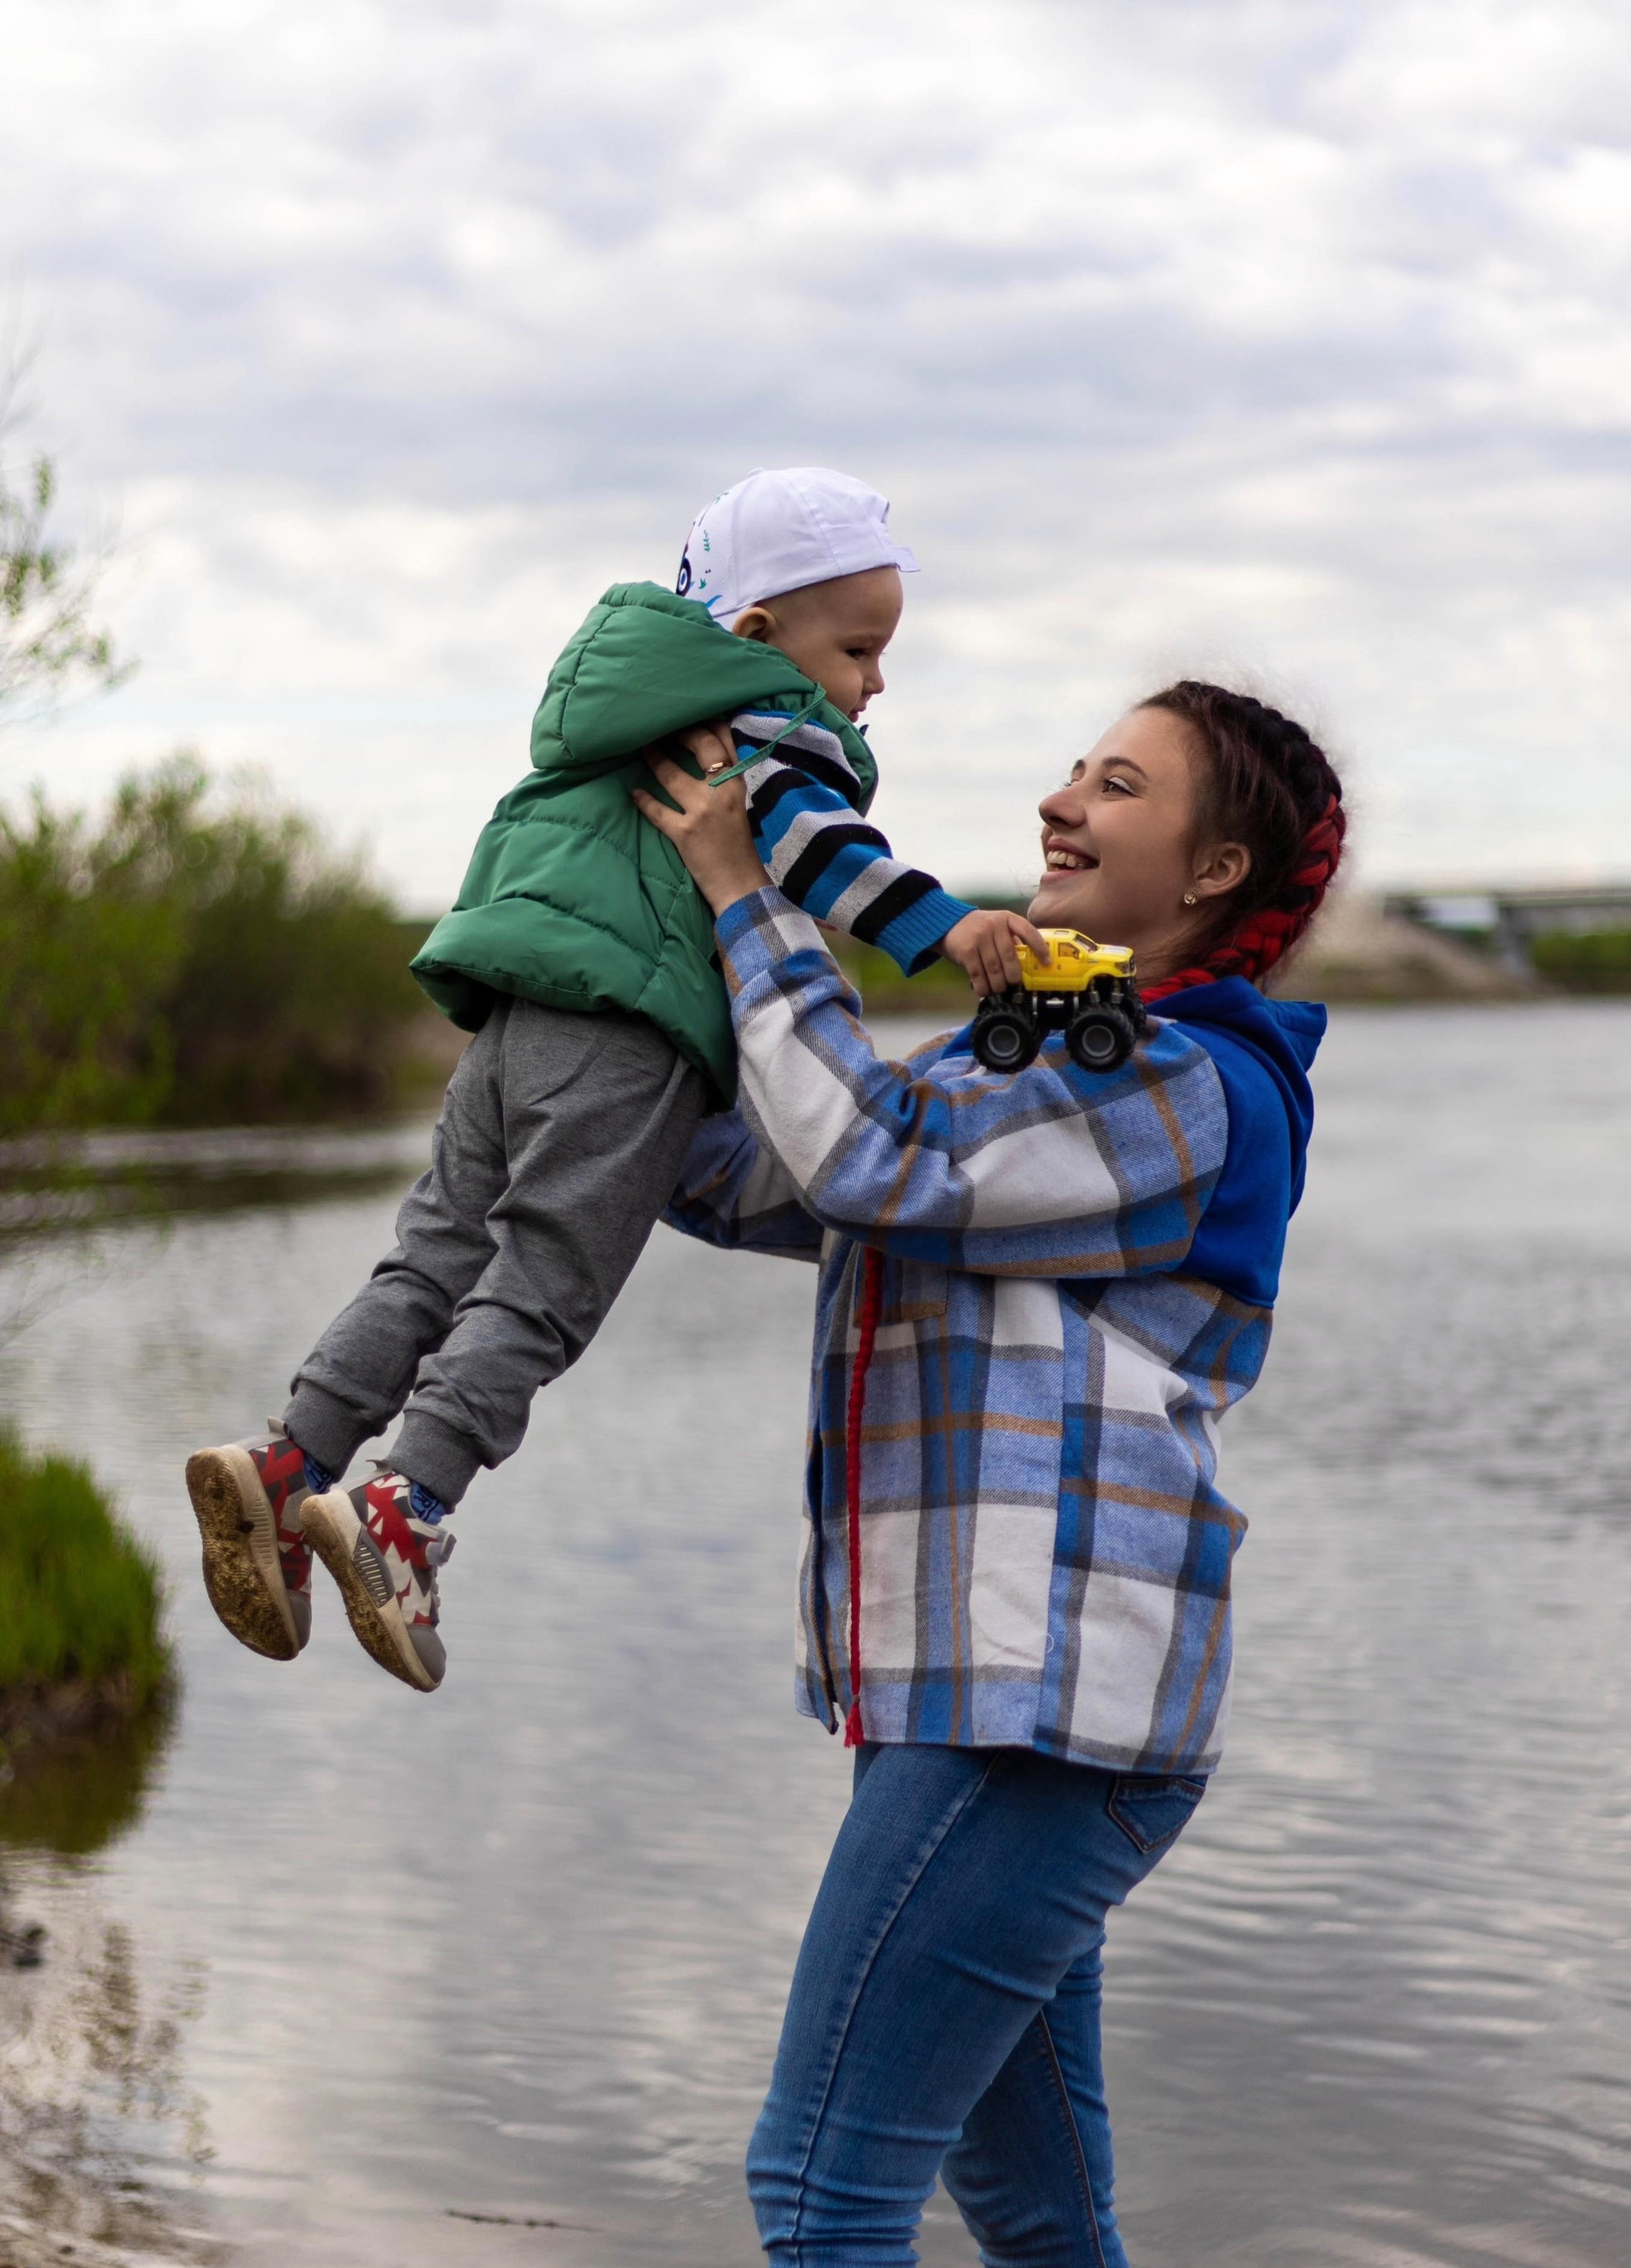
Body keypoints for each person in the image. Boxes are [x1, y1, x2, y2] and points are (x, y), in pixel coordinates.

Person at [637, 681, 1344, 2268]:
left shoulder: (1192, 1083)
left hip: (1038, 1718)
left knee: (823, 2189)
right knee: (1030, 2203)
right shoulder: (1056, 1048)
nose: (1057, 795)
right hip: (1007, 1703)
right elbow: (781, 1169)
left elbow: (869, 1156)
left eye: (1117, 784)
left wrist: (752, 896)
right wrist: (604, 1002)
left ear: (1214, 873)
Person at [183, 467, 1037, 1694]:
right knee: (545, 1279)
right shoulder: (760, 724)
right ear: (758, 634)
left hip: (513, 1022)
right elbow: (818, 846)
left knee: (434, 1256)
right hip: (624, 1039)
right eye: (860, 648)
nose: (874, 682)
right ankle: (406, 1505)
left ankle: (287, 1467)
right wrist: (944, 932)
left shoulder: (616, 712)